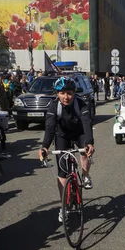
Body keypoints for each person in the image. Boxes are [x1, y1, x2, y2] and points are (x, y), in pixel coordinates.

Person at [39, 78, 95, 220]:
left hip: (79, 133)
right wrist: (44, 147)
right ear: (57, 94)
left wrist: (89, 143)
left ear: (74, 93)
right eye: (62, 93)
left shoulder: (81, 103)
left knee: (83, 151)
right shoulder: (53, 106)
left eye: (69, 93)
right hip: (62, 135)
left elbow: (87, 123)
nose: (66, 97)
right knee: (62, 173)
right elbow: (50, 128)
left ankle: (85, 175)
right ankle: (63, 207)